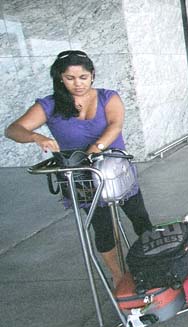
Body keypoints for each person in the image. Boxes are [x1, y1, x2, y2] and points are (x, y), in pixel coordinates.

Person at [5, 50, 153, 285]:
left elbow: (115, 126)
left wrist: (92, 151)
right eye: (70, 78)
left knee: (140, 218)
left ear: (92, 75)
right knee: (103, 229)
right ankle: (119, 277)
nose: (78, 84)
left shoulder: (108, 97)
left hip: (116, 172)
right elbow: (13, 130)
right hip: (82, 178)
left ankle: (155, 263)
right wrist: (35, 137)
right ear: (60, 78)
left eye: (83, 77)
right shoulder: (50, 104)